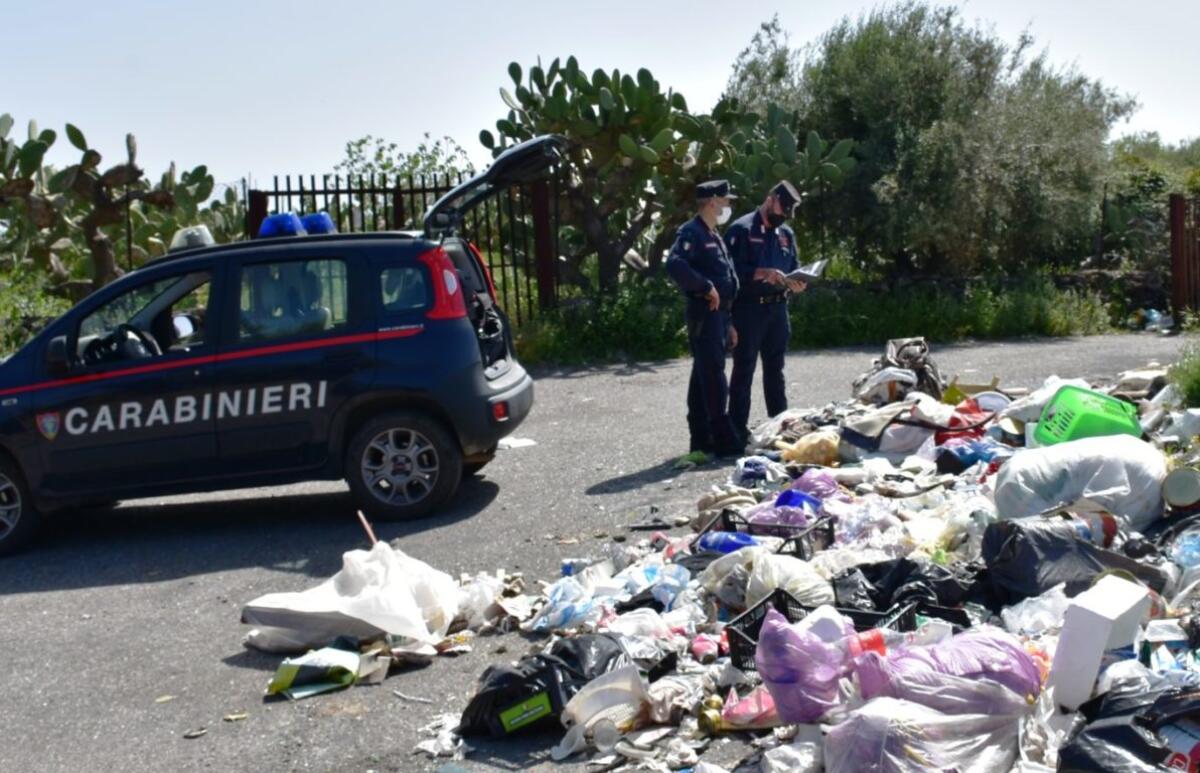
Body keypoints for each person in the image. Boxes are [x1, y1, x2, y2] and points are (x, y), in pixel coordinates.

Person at [725, 180, 807, 444]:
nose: (783, 216)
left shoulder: (786, 234)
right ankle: (736, 432)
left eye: (787, 213)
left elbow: (794, 266)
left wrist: (798, 284)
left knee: (776, 370)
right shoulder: (741, 229)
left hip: (778, 310)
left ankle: (780, 427)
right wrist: (762, 273)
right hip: (749, 310)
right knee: (744, 371)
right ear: (771, 198)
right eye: (782, 208)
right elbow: (729, 273)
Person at [665, 180, 743, 457]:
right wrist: (704, 286)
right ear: (712, 202)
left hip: (719, 316)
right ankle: (723, 438)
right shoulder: (692, 232)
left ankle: (701, 437)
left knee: (703, 375)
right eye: (726, 201)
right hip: (704, 313)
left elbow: (727, 279)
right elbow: (674, 264)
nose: (728, 206)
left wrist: (730, 321)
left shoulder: (713, 234)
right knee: (713, 376)